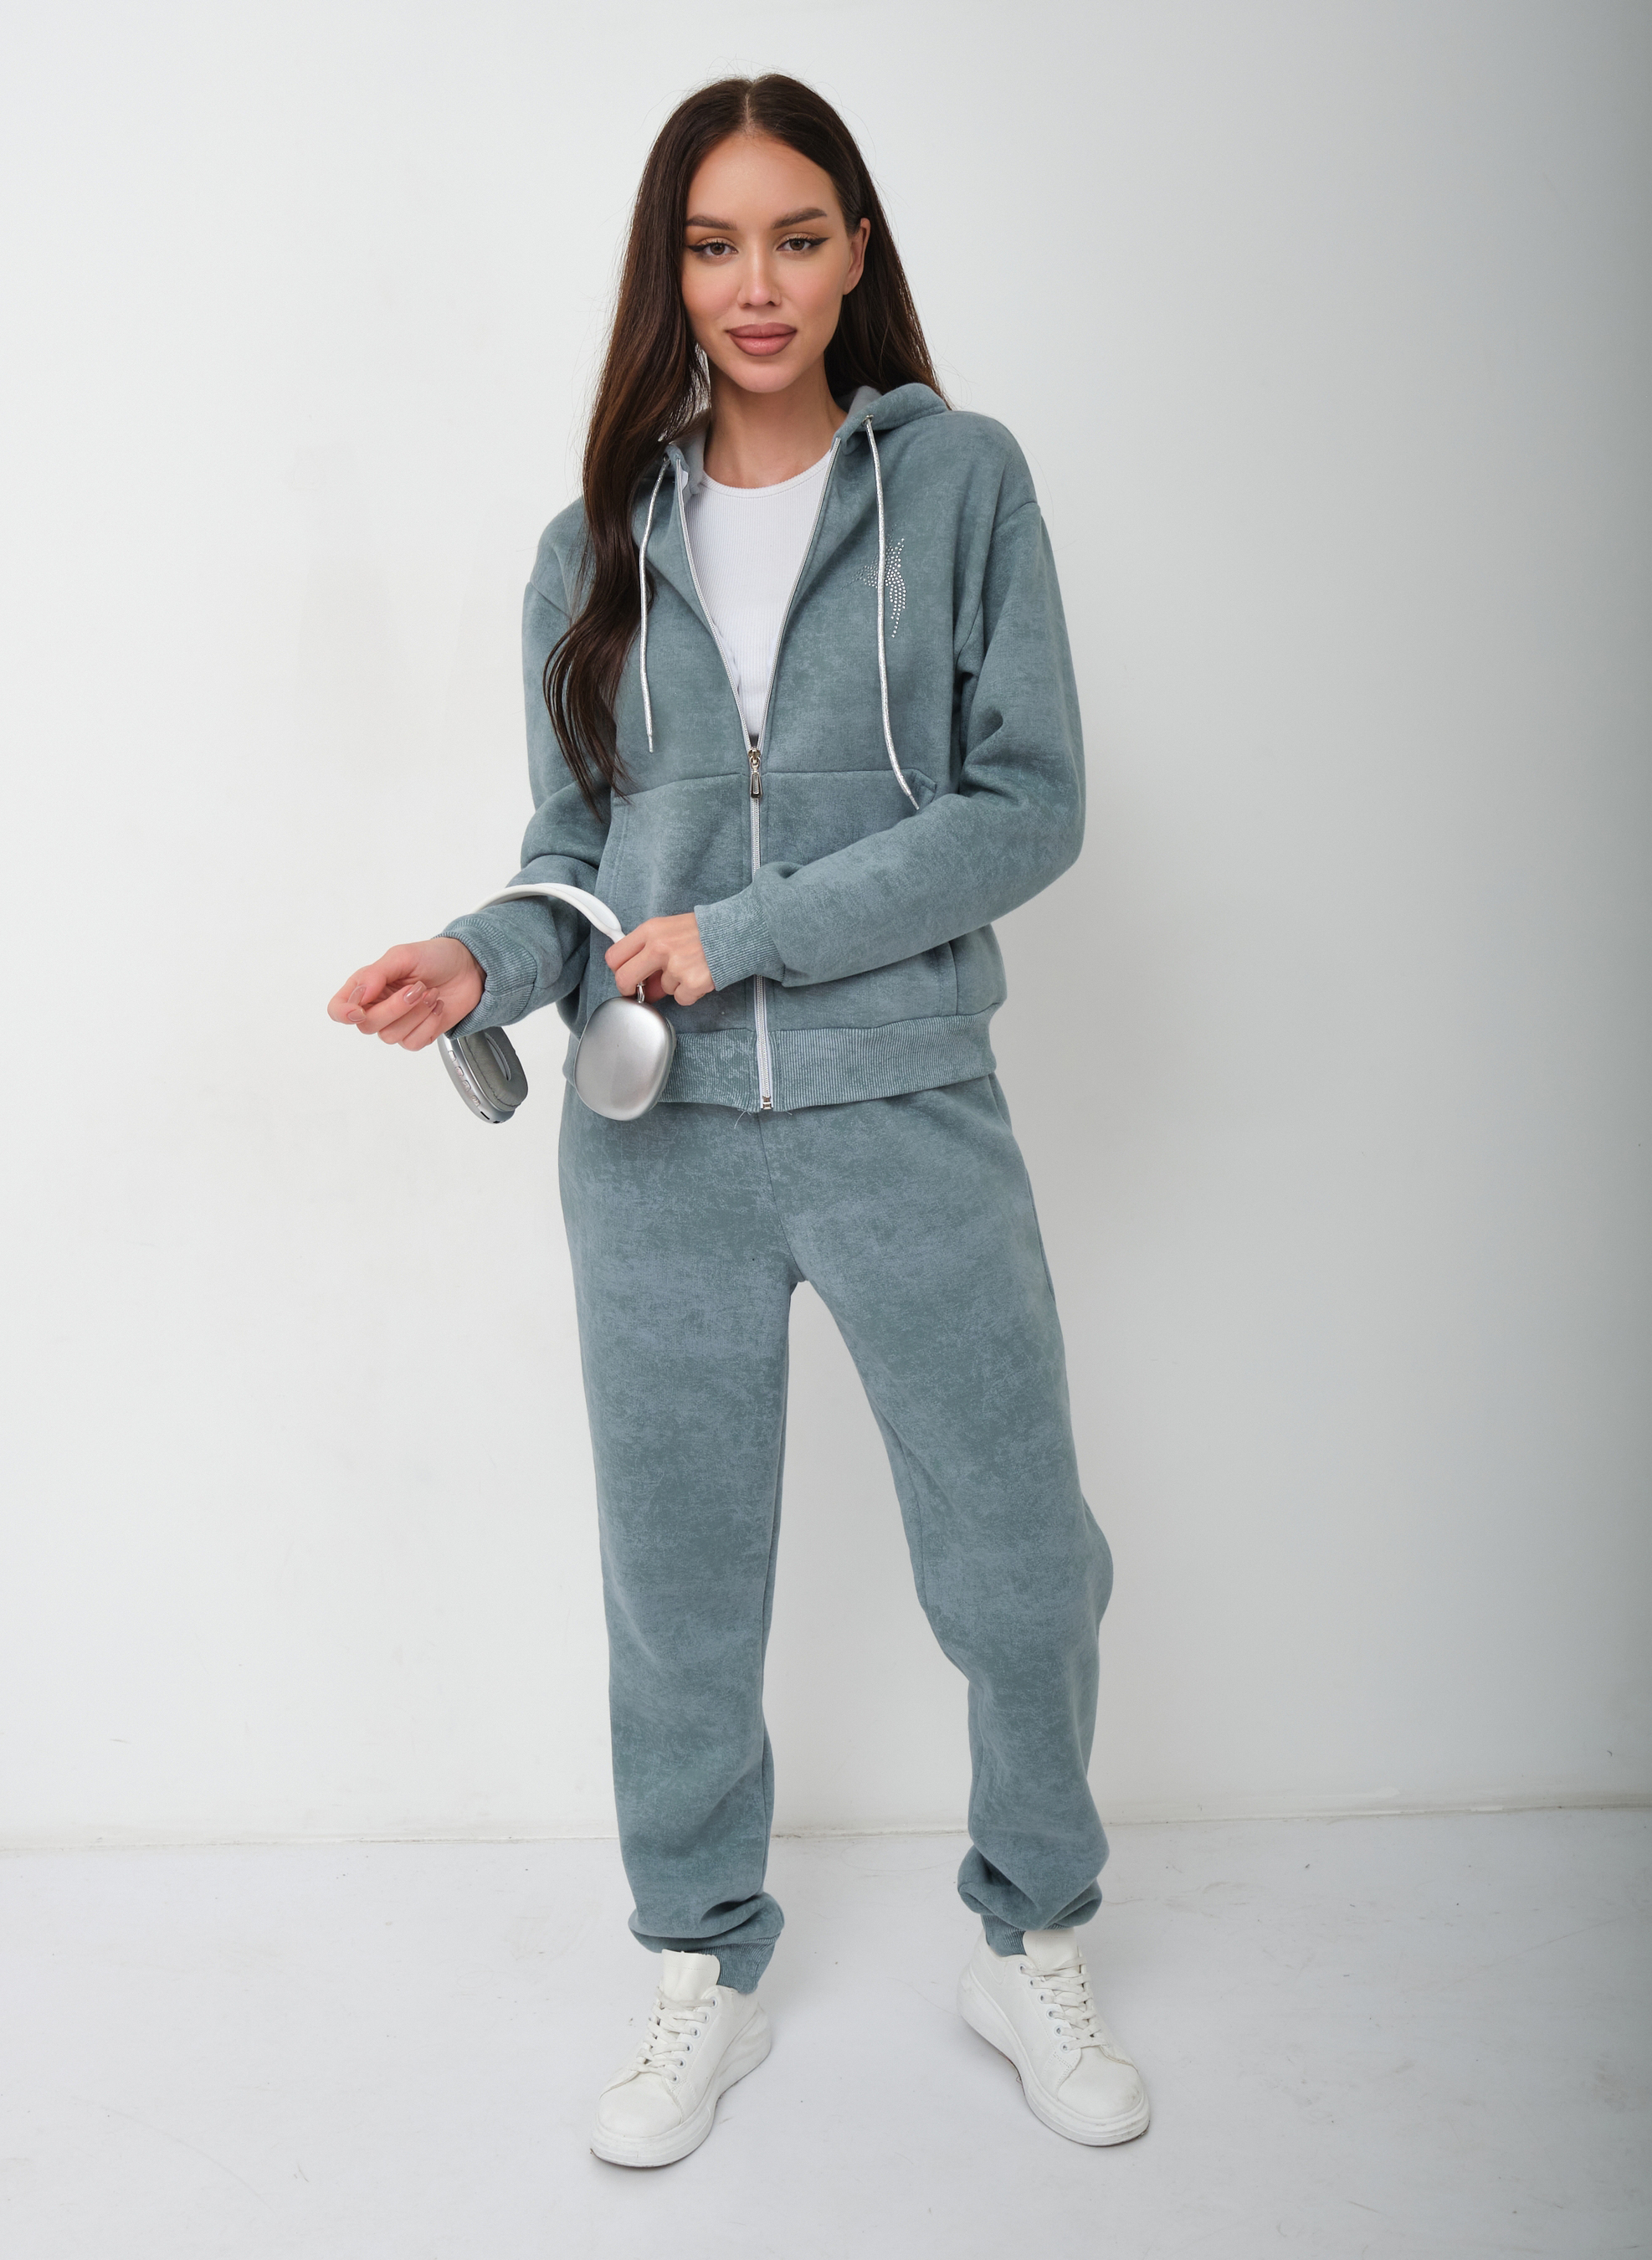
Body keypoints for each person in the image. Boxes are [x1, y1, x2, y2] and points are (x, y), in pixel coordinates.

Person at [328, 73, 1148, 2168]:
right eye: (712, 245)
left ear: (856, 249)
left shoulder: (958, 484)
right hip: (654, 1142)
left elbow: (1025, 807)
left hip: (905, 1105)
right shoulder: (592, 543)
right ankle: (699, 1966)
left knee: (1020, 1567)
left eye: (794, 235)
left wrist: (752, 931)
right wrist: (480, 958)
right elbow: (576, 859)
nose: (755, 283)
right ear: (670, 273)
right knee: (677, 1592)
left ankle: (1030, 1930)